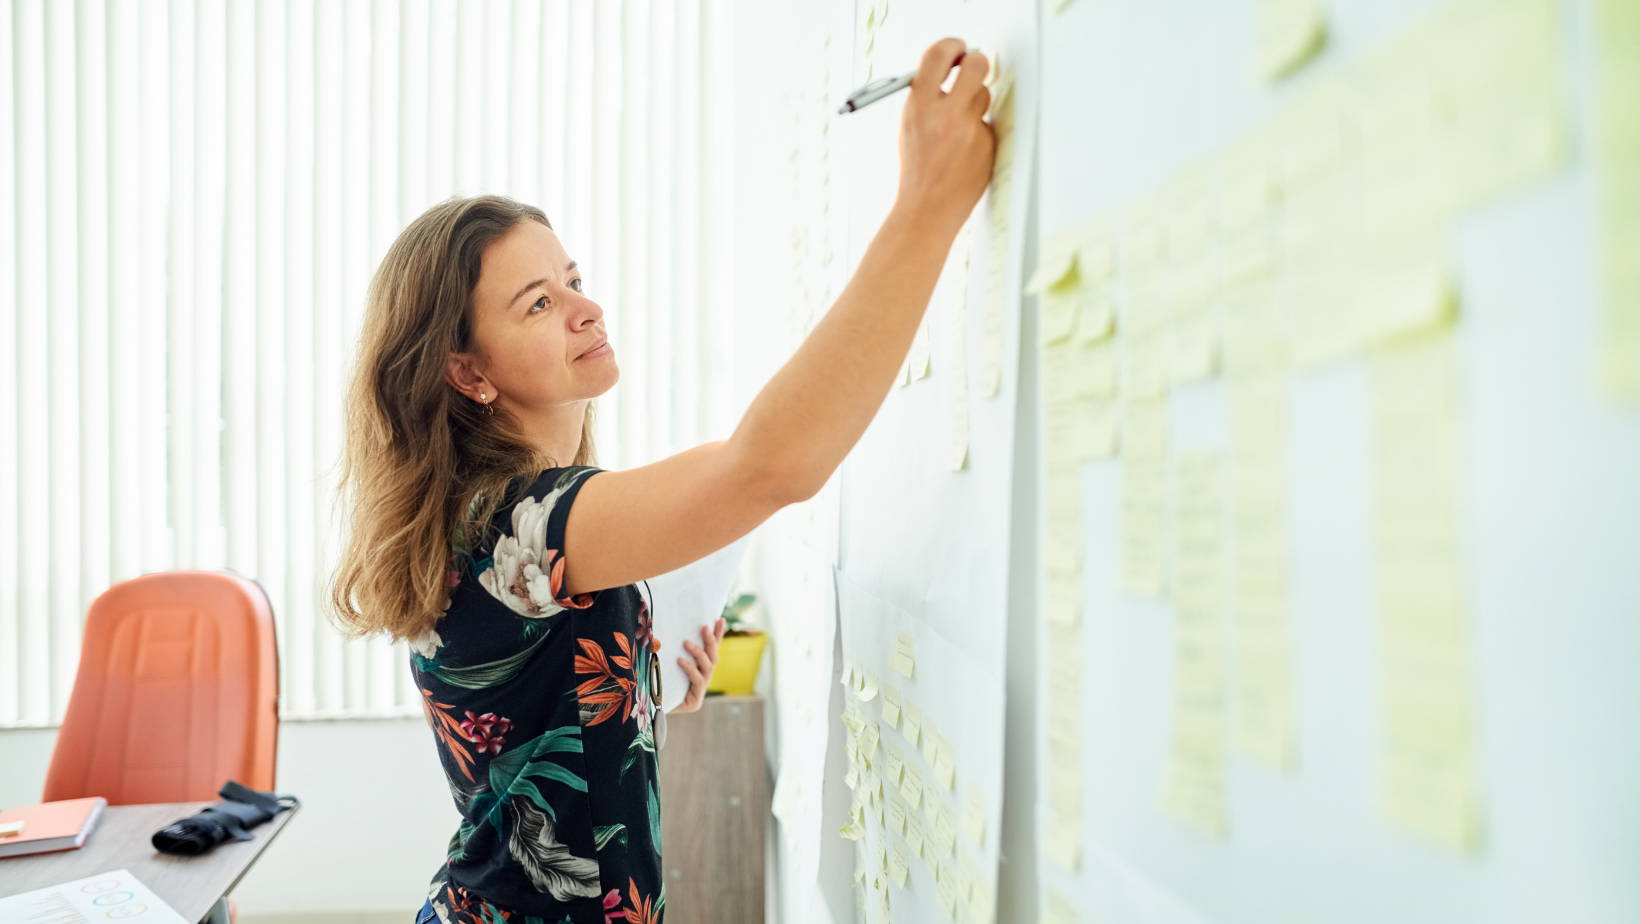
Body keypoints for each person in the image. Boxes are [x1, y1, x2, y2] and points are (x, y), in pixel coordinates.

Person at [328, 37, 995, 924]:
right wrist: (927, 206)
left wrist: (646, 683)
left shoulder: (515, 519)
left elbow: (541, 737)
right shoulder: (518, 524)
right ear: (467, 372)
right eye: (537, 303)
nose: (585, 307)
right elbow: (770, 465)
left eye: (572, 279)